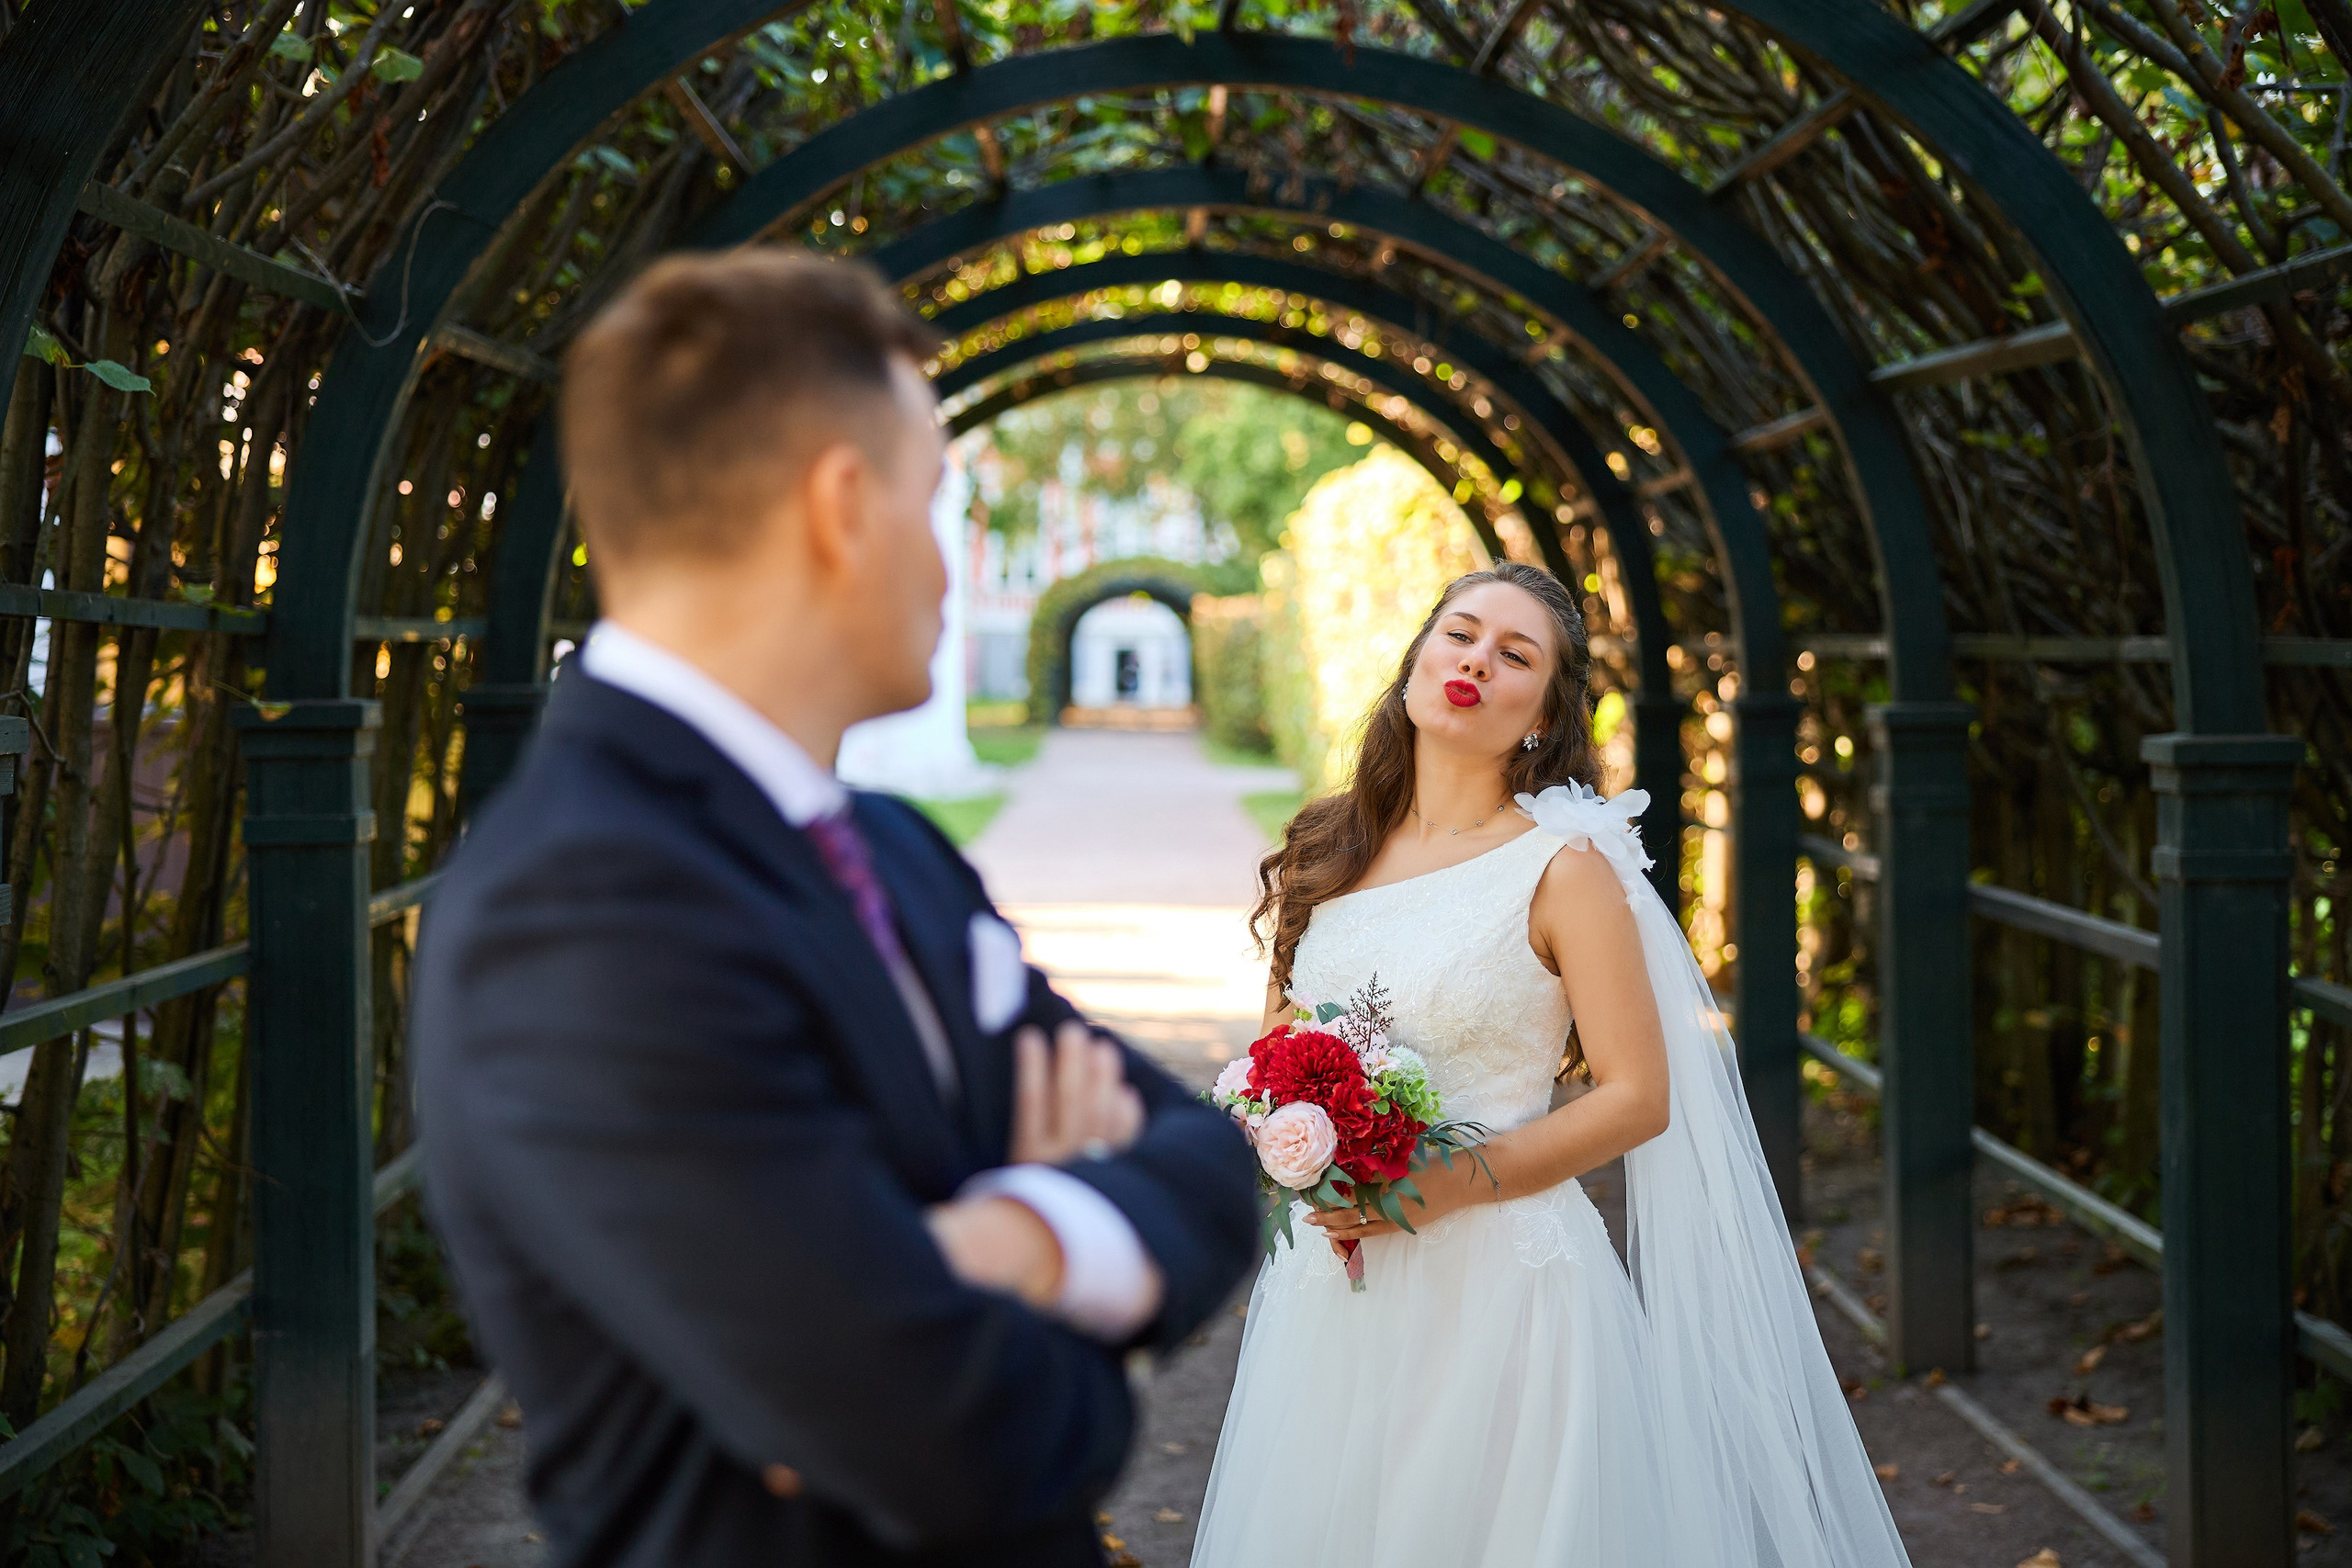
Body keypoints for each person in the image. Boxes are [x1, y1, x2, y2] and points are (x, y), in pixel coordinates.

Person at [410, 251, 1260, 1568]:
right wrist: (1068, 1244)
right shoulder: (583, 910)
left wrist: (1018, 1233)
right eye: (935, 501)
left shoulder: (891, 847)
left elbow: (1205, 1165)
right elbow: (973, 1437)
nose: (943, 559)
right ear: (841, 505)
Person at [1190, 562, 1911, 1567]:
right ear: (1415, 662)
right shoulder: (1325, 845)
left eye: (1513, 654)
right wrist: (1294, 1146)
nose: (1476, 660)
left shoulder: (1563, 871)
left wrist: (1451, 1181)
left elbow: (1635, 1096)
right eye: (1460, 635)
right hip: (1336, 1284)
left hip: (1503, 1292)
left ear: (1542, 715)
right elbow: (1275, 1056)